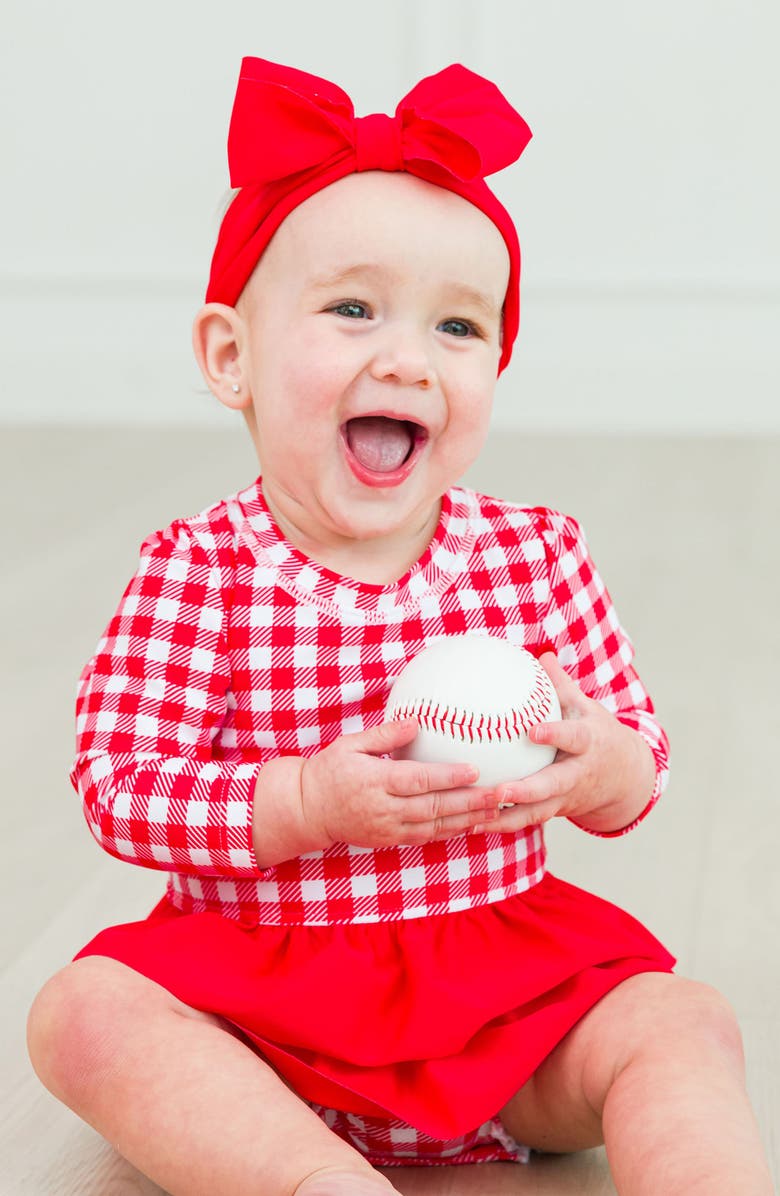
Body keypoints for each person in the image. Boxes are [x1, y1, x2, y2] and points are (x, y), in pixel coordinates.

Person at [27, 58, 772, 1196]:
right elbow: (117, 781)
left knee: (682, 1017)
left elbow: (642, 772)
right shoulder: (201, 572)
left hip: (503, 1007)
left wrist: (591, 759)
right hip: (260, 1023)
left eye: (460, 325)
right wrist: (305, 801)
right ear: (232, 356)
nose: (408, 357)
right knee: (81, 1012)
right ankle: (310, 1176)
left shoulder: (535, 554)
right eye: (352, 308)